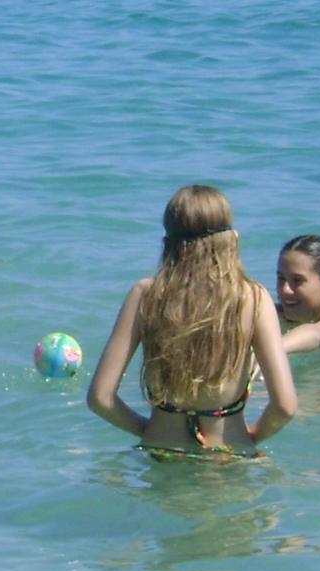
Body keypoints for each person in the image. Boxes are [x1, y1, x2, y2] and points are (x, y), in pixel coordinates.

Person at [86, 185, 297, 458]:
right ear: (232, 238)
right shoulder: (253, 298)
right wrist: (249, 438)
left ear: (167, 242)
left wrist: (149, 432)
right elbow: (285, 406)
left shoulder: (145, 294)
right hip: (228, 455)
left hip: (162, 454)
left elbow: (100, 398)